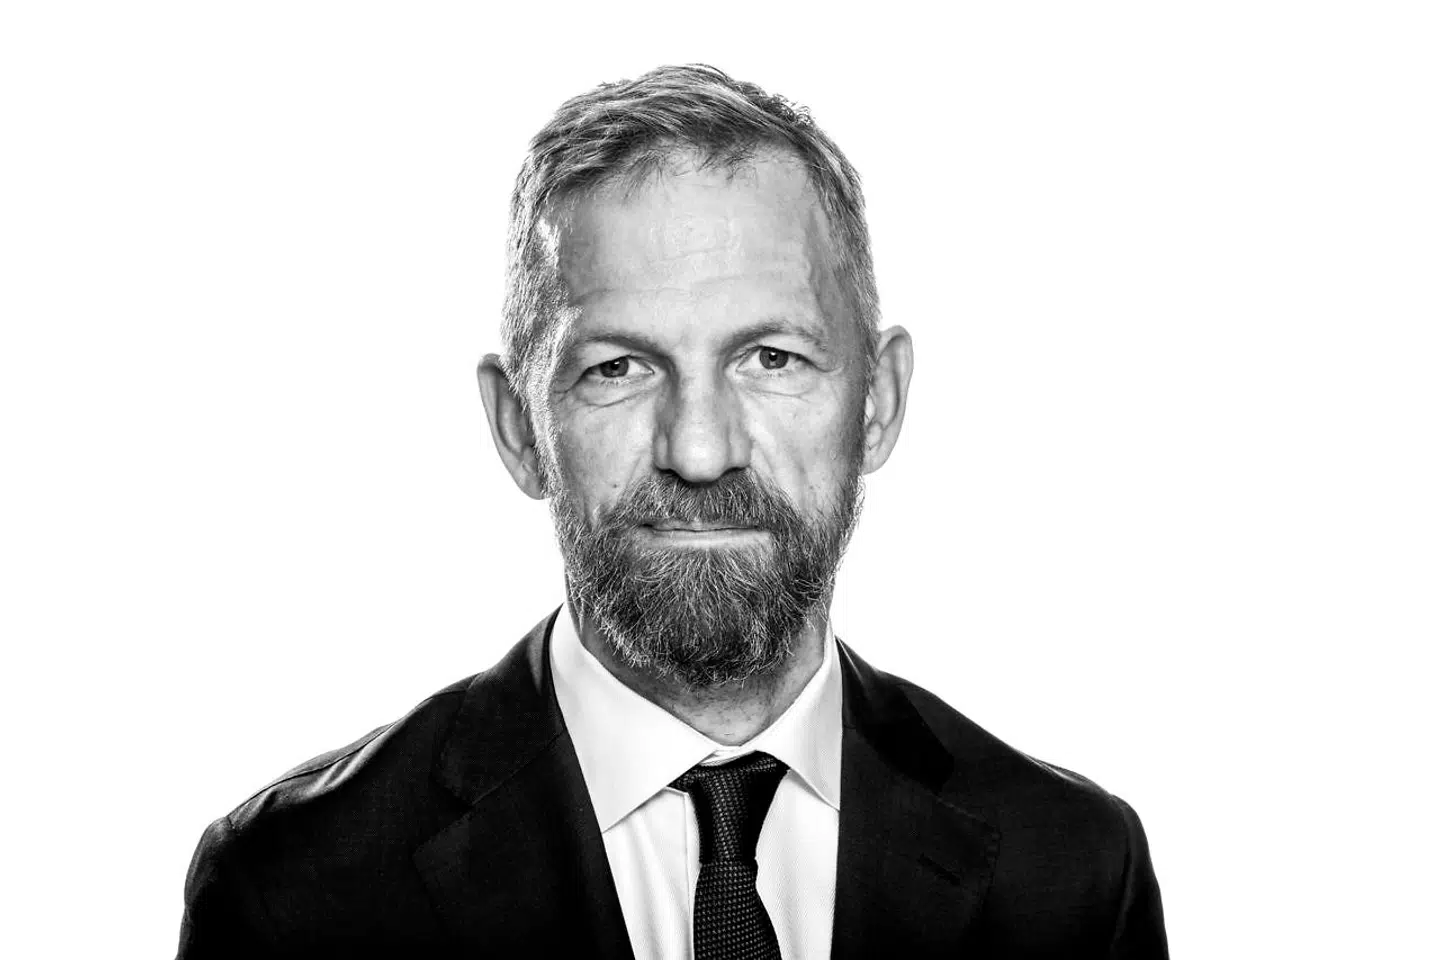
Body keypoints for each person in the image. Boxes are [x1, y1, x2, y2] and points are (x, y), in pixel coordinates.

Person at [177, 64, 1168, 959]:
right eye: (619, 368)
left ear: (878, 403)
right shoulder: (296, 897)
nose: (700, 450)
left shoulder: (1073, 877)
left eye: (772, 358)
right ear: (519, 427)